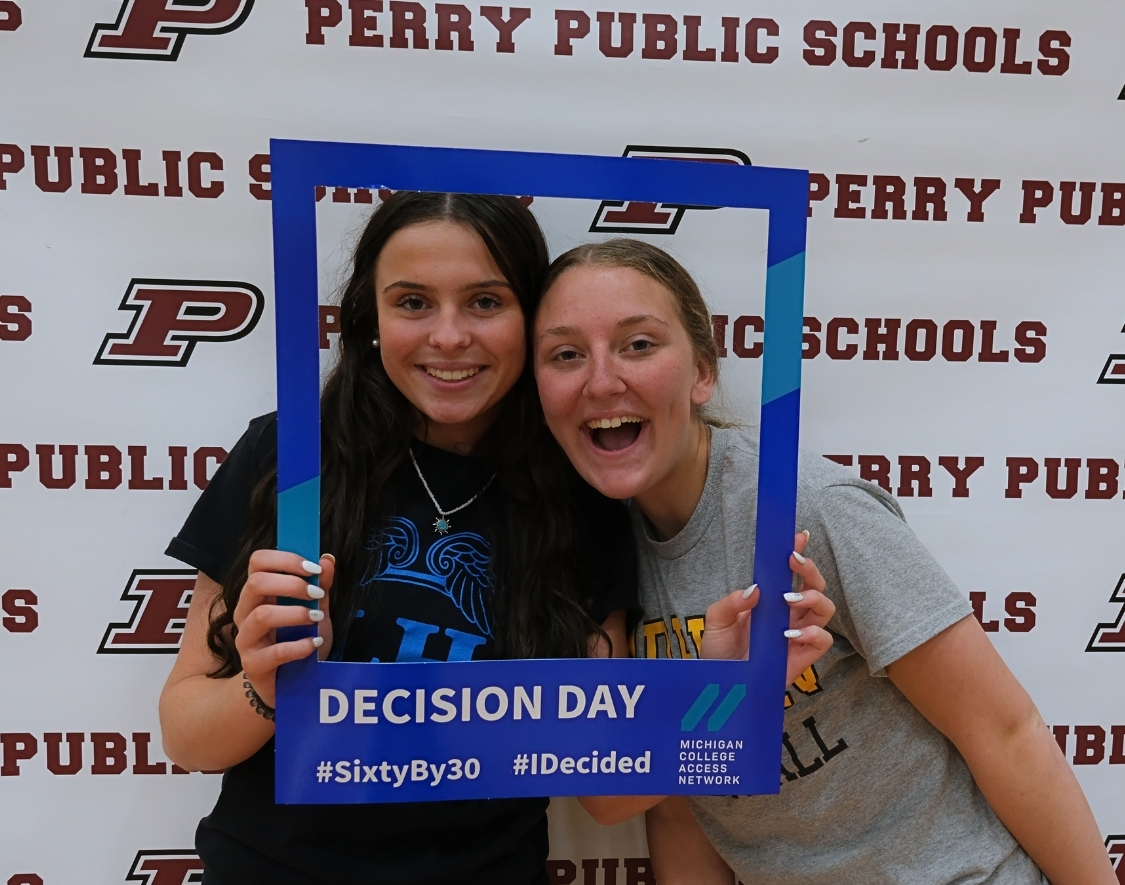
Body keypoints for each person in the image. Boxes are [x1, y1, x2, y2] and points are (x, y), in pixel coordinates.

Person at [158, 194, 832, 885]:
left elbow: (604, 790)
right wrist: (264, 688)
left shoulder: (580, 494)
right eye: (412, 302)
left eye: (485, 302)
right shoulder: (292, 456)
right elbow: (186, 732)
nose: (449, 337)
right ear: (369, 318)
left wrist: (725, 688)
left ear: (530, 321)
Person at [532, 238, 1117, 885]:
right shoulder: (594, 558)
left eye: (638, 344)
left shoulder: (807, 507)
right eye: (566, 354)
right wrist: (726, 691)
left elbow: (1005, 731)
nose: (601, 379)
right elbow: (672, 809)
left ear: (701, 371)